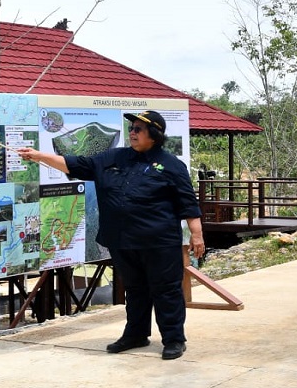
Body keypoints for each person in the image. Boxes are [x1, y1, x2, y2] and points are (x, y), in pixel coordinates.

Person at [18, 110, 204, 360]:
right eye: (132, 128)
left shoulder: (171, 165)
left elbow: (187, 202)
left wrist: (197, 234)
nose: (133, 132)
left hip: (158, 241)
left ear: (155, 134)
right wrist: (39, 156)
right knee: (135, 289)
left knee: (166, 290)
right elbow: (77, 164)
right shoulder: (114, 157)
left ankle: (173, 339)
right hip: (122, 240)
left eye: (139, 128)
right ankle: (136, 334)